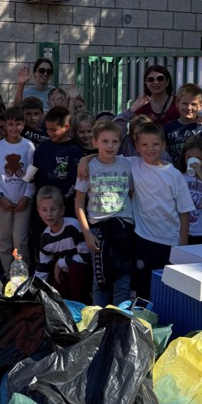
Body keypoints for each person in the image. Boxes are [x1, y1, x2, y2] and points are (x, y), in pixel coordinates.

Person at [77, 122, 194, 299]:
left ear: (163, 145)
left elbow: (184, 211)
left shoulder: (174, 175)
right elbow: (106, 153)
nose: (150, 149)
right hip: (143, 238)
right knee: (142, 286)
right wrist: (84, 160)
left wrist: (183, 243)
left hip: (170, 239)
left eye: (155, 144)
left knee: (169, 286)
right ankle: (141, 314)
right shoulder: (133, 163)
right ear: (137, 147)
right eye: (144, 144)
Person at [74, 120, 135, 307]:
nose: (110, 146)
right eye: (105, 141)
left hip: (123, 229)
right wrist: (87, 234)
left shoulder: (127, 165)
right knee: (100, 281)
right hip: (98, 230)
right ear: (95, 143)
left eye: (114, 141)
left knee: (123, 281)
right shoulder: (88, 168)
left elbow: (130, 194)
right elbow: (79, 203)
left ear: (120, 143)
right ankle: (99, 320)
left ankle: (120, 320)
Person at [30, 105, 84, 255]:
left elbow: (75, 180)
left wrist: (58, 201)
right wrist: (29, 177)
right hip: (42, 207)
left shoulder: (74, 150)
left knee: (65, 244)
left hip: (63, 209)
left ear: (66, 127)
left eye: (53, 130)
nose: (49, 133)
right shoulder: (43, 146)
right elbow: (35, 166)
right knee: (41, 241)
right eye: (47, 129)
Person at [0, 106, 36, 275]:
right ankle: (9, 276)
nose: (14, 128)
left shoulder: (28, 146)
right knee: (4, 240)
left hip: (23, 202)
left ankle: (23, 275)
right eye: (10, 124)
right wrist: (0, 197)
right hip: (3, 202)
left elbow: (32, 174)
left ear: (23, 124)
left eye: (17, 124)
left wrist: (27, 196)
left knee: (19, 241)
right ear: (5, 125)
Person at [34, 186, 86, 291]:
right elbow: (43, 269)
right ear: (39, 212)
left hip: (82, 272)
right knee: (58, 285)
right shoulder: (45, 237)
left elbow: (85, 257)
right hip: (63, 272)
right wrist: (34, 290)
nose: (49, 214)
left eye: (53, 209)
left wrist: (60, 263)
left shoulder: (73, 226)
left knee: (75, 271)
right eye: (44, 210)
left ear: (62, 210)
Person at [163, 83, 202, 175]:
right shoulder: (167, 128)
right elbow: (164, 159)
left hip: (201, 178)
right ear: (177, 103)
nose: (189, 108)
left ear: (200, 106)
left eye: (193, 104)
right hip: (175, 178)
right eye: (185, 103)